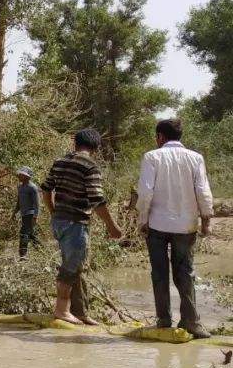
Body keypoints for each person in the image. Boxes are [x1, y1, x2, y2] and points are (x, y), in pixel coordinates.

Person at [136, 118, 214, 338]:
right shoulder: (195, 158)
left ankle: (163, 320)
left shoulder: (152, 157)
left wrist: (143, 220)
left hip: (157, 224)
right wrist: (206, 219)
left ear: (160, 137)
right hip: (186, 225)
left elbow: (146, 192)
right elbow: (203, 190)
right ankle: (191, 322)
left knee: (159, 273)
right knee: (186, 273)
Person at [41, 128, 123, 325]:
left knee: (76, 266)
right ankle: (62, 310)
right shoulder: (90, 166)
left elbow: (45, 189)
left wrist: (54, 212)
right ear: (95, 147)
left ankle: (80, 312)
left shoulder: (59, 162)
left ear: (75, 143)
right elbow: (97, 200)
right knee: (71, 267)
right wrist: (112, 227)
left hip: (60, 222)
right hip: (75, 223)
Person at [14, 167, 41, 258]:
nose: (19, 176)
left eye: (22, 175)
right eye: (20, 174)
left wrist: (35, 217)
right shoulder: (20, 187)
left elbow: (37, 204)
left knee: (23, 233)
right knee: (31, 233)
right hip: (23, 214)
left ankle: (23, 254)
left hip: (30, 214)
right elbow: (19, 202)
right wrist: (14, 213)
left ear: (27, 177)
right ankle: (40, 249)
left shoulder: (32, 188)